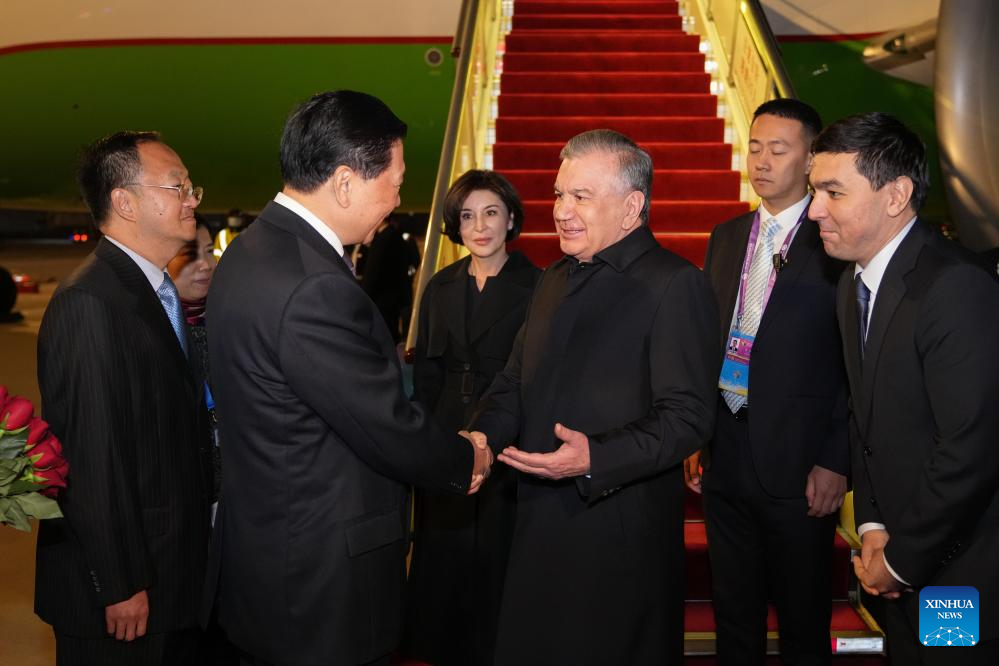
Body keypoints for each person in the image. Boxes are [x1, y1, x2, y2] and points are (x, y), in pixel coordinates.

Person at [203, 90, 491, 666]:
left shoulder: (252, 250)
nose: (398, 199)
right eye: (395, 182)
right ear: (344, 182)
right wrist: (467, 458)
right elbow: (383, 422)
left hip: (270, 553)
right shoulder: (313, 284)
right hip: (319, 581)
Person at [467, 129, 720, 665]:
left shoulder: (676, 284)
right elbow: (515, 379)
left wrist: (595, 458)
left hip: (618, 532)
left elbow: (688, 417)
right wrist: (482, 437)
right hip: (537, 521)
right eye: (560, 194)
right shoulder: (554, 278)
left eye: (581, 196)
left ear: (631, 207)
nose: (561, 211)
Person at [810, 112, 999, 664]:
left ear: (895, 196)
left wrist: (900, 560)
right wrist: (873, 526)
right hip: (898, 556)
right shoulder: (852, 282)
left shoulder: (955, 287)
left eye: (833, 192)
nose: (814, 209)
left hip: (961, 574)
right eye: (814, 191)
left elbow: (971, 447)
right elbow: (865, 418)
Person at [35, 131, 212, 665]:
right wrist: (120, 581)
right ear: (125, 202)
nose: (192, 199)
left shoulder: (151, 291)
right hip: (123, 595)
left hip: (168, 573)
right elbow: (91, 457)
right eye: (177, 186)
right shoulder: (90, 302)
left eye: (191, 186)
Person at [684, 98, 849, 664]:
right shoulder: (728, 235)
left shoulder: (833, 240)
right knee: (734, 609)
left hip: (801, 460)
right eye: (755, 147)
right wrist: (699, 431)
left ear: (810, 160)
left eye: (778, 149)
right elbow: (712, 338)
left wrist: (836, 459)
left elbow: (851, 361)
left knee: (803, 616)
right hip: (726, 447)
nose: (761, 160)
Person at [403, 169, 540, 666]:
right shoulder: (440, 286)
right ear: (455, 226)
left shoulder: (538, 286)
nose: (479, 227)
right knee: (444, 548)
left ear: (511, 220)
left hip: (507, 435)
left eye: (490, 213)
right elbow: (427, 373)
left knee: (497, 554)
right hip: (446, 434)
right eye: (467, 216)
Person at [358, 215, 422, 342]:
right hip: (391, 296)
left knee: (385, 334)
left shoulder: (384, 238)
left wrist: (364, 293)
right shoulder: (392, 236)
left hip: (383, 297)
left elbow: (373, 270)